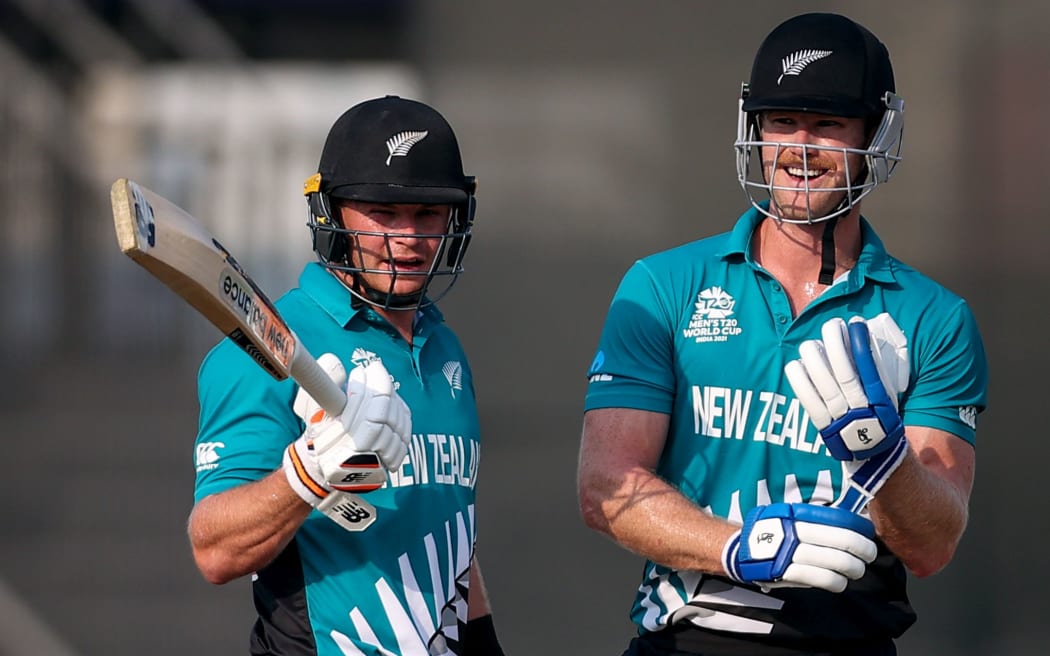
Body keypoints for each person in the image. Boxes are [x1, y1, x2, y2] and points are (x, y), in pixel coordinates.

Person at [577, 12, 986, 656]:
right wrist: (740, 549)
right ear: (755, 130)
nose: (799, 147)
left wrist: (884, 461)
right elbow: (605, 488)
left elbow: (933, 544)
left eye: (828, 124)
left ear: (876, 136)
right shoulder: (663, 284)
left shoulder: (933, 317)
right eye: (780, 121)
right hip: (688, 642)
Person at [188, 95, 506, 656]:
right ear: (331, 213)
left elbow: (448, 531)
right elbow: (214, 550)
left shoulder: (444, 345)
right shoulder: (261, 349)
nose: (407, 238)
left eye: (428, 214)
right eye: (382, 212)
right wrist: (307, 476)